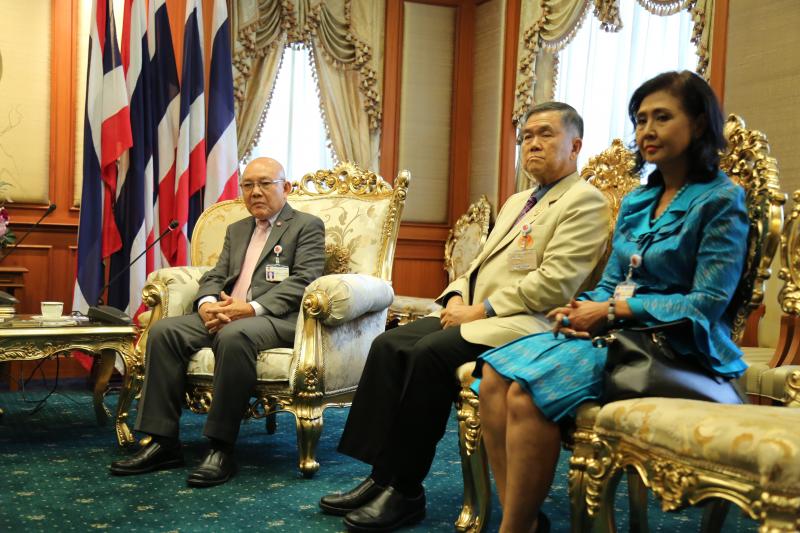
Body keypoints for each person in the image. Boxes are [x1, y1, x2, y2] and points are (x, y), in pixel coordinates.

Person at [474, 70, 750, 533]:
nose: (647, 131)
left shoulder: (721, 200)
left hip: (681, 346)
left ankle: (513, 528)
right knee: (493, 376)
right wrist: (582, 308)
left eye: (662, 117)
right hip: (619, 335)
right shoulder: (640, 200)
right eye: (640, 120)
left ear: (700, 123)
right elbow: (614, 282)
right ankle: (525, 521)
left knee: (526, 392)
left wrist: (615, 310)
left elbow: (707, 303)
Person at [319, 102, 611, 532]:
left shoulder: (585, 201)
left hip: (529, 323)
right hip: (481, 314)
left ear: (575, 145)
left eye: (545, 134)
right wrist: (456, 297)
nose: (532, 144)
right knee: (389, 344)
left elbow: (555, 284)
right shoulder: (518, 201)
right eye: (527, 136)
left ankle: (405, 490)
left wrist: (481, 309)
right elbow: (479, 266)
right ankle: (381, 476)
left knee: (430, 354)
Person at [110, 157, 326, 487]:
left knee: (234, 335)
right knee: (164, 332)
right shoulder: (237, 230)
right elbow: (215, 274)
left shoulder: (306, 226)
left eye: (264, 184)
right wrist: (207, 304)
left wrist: (250, 308)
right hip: (226, 313)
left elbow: (304, 281)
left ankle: (220, 448)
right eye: (248, 185)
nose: (255, 192)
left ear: (285, 187)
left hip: (274, 319)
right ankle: (162, 442)